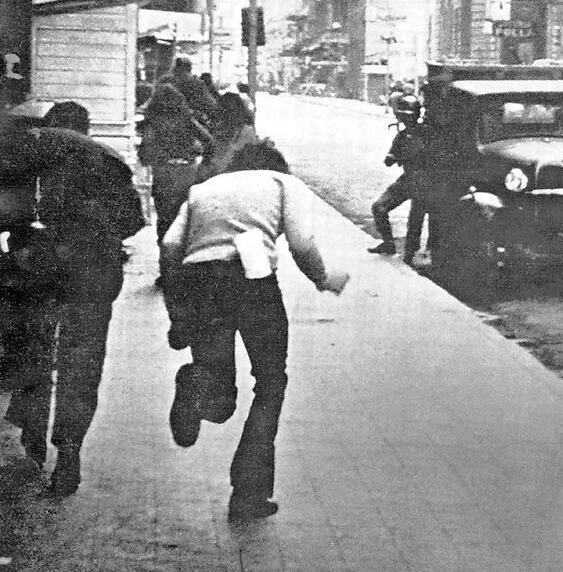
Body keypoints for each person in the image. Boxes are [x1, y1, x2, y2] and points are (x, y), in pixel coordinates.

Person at [160, 140, 348, 520]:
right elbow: (301, 242)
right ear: (277, 166)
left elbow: (168, 246)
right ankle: (248, 493)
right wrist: (323, 279)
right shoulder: (283, 183)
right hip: (252, 280)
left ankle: (195, 381)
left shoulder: (203, 189)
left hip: (201, 281)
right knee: (270, 383)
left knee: (218, 390)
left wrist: (178, 313)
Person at [0, 103, 146, 495]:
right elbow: (133, 221)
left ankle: (32, 447)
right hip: (95, 271)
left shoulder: (29, 150)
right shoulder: (109, 160)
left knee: (36, 352)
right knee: (81, 362)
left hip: (39, 267)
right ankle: (69, 454)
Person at [138, 83, 214, 246]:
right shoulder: (186, 119)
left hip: (163, 172)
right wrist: (204, 164)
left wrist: (148, 158)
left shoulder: (153, 121)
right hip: (187, 171)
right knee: (184, 219)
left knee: (164, 221)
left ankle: (165, 263)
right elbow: (208, 140)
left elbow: (146, 150)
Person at [367, 94, 432, 264]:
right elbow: (390, 158)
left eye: (407, 115)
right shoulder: (402, 136)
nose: (404, 119)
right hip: (408, 179)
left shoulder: (427, 134)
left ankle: (410, 254)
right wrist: (393, 156)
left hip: (424, 181)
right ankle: (389, 244)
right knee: (379, 207)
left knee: (415, 220)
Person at [161, 58, 218, 127]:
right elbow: (210, 104)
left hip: (166, 119)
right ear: (189, 69)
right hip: (188, 121)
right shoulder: (196, 82)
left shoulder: (164, 80)